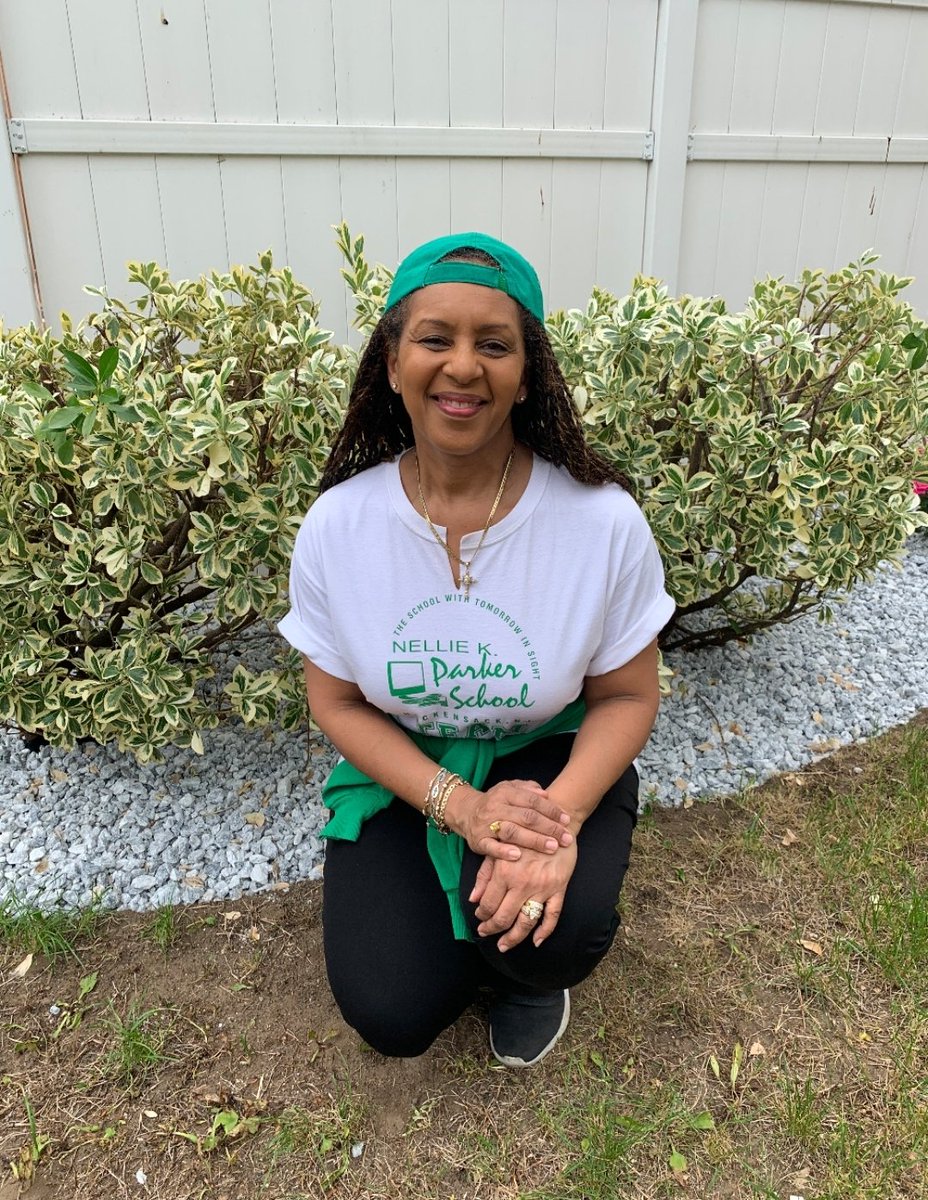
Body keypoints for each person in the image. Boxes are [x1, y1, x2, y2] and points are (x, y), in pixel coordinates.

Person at [279, 232, 674, 1067]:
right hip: (411, 766)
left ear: (527, 374)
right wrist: (459, 807)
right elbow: (335, 700)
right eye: (435, 338)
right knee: (392, 1011)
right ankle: (465, 936)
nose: (463, 366)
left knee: (545, 942)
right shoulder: (339, 527)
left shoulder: (601, 523)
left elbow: (629, 696)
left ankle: (528, 975)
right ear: (391, 362)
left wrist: (554, 824)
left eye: (494, 344)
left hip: (549, 752)